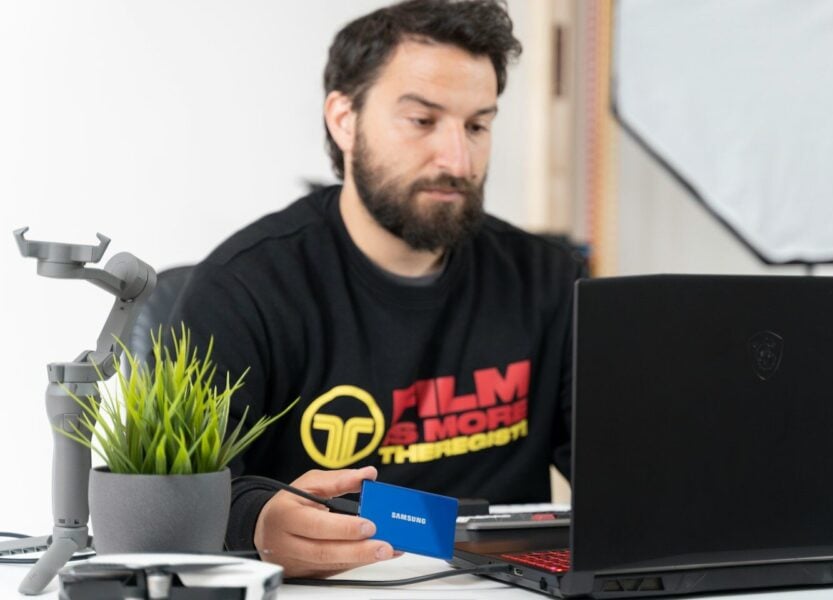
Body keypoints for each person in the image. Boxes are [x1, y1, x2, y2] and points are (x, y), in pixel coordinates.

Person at [170, 0, 583, 578]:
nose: (458, 159)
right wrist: (256, 524)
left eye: (477, 125)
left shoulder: (548, 279)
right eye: (422, 121)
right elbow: (176, 499)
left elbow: (627, 467)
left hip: (508, 588)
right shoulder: (242, 290)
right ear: (344, 119)